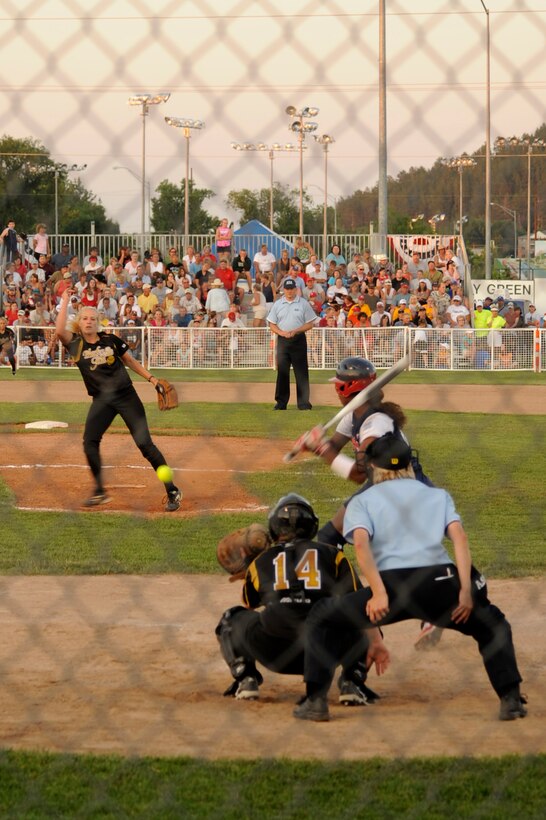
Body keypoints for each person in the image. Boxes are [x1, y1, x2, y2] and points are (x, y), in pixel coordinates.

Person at [294, 433, 527, 723]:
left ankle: (315, 701)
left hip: (391, 588)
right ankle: (511, 699)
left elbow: (362, 546)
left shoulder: (362, 500)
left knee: (322, 616)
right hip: (443, 586)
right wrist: (465, 590)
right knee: (492, 624)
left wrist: (378, 593)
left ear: (374, 466)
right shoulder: (436, 494)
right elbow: (460, 538)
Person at [216, 494, 388, 704]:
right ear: (313, 527)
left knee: (231, 618)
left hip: (273, 651)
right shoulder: (333, 555)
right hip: (325, 652)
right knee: (362, 619)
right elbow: (359, 604)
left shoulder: (261, 561)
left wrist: (253, 567)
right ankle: (352, 683)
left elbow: (251, 604)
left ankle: (246, 679)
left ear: (274, 527)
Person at [55, 288, 182, 511]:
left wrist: (152, 380)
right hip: (101, 401)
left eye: (93, 319)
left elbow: (131, 362)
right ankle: (99, 491)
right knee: (90, 442)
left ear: (98, 322)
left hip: (126, 397)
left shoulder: (110, 340)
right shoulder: (76, 345)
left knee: (145, 445)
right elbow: (58, 331)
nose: (88, 322)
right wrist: (64, 300)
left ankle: (172, 489)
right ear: (79, 322)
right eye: (84, 318)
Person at [266, 277, 318, 410]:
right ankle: (281, 402)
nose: (289, 291)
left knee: (301, 372)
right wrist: (281, 333)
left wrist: (296, 331)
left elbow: (310, 323)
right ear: (284, 290)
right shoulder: (278, 304)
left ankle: (303, 403)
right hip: (283, 340)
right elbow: (271, 323)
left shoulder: (303, 303)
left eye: (291, 289)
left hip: (298, 339)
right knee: (282, 372)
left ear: (296, 289)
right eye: (287, 289)